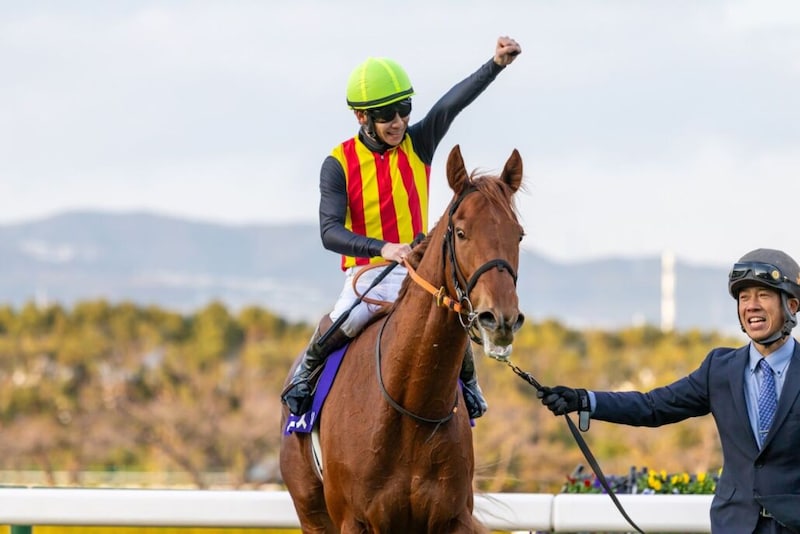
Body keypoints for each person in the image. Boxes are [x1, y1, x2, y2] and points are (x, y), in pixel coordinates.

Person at [281, 36, 522, 419]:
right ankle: (304, 376)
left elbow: (451, 104)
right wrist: (383, 248)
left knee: (453, 314)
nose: (398, 122)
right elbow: (329, 232)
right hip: (368, 272)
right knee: (345, 317)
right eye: (387, 114)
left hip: (419, 270)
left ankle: (469, 385)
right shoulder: (338, 163)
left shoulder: (419, 142)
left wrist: (494, 65)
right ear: (362, 117)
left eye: (404, 109)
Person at [538, 248, 800, 534]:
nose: (751, 305)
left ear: (792, 305)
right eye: (744, 296)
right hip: (734, 525)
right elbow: (653, 406)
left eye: (763, 295)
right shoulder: (720, 368)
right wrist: (585, 400)